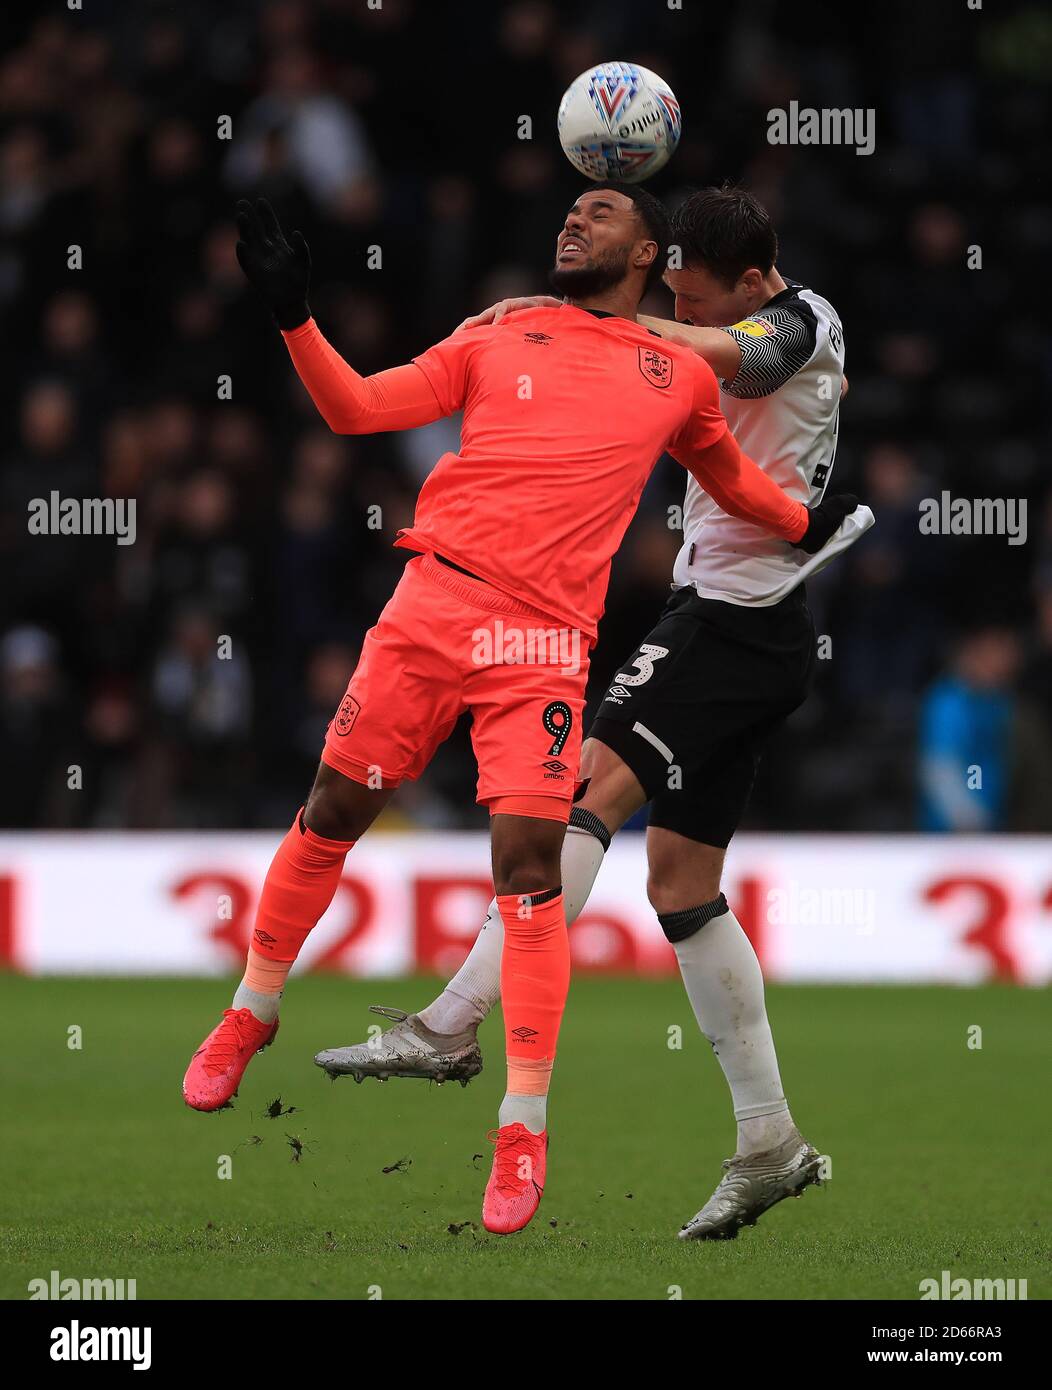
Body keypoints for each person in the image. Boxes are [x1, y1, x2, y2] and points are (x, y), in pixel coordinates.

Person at [182, 185, 858, 1236]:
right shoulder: (524, 334)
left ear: (747, 282)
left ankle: (462, 1042)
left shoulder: (783, 325)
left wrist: (627, 328)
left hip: (716, 623)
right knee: (681, 886)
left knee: (569, 815)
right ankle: (767, 1139)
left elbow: (747, 370)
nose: (681, 306)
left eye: (692, 291)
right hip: (662, 609)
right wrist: (293, 313)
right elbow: (365, 406)